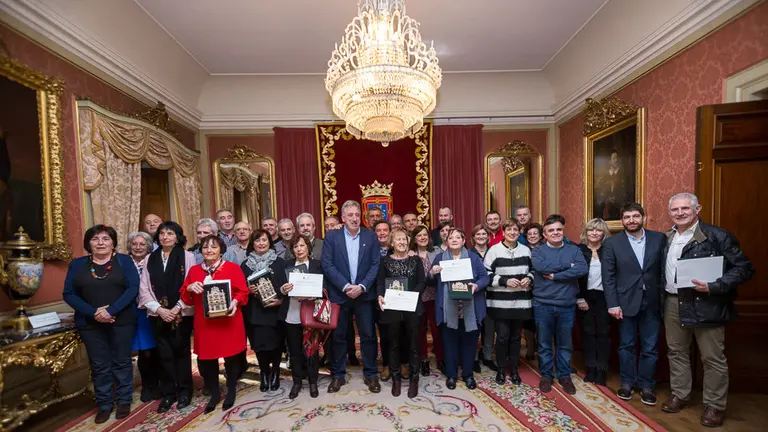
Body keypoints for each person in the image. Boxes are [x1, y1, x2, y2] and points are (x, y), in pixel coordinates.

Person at [660, 193, 754, 427]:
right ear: (669, 212)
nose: (680, 213)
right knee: (676, 351)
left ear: (697, 209)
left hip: (707, 302)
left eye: (685, 209)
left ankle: (714, 405)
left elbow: (744, 268)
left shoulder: (717, 236)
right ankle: (680, 394)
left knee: (712, 358)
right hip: (672, 301)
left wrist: (715, 286)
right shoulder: (666, 238)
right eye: (675, 210)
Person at [63, 225, 139, 424]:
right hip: (90, 323)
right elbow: (69, 294)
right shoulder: (77, 264)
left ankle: (124, 400)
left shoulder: (124, 261)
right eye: (95, 239)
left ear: (113, 242)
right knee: (99, 365)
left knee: (122, 362)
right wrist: (95, 312)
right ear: (88, 243)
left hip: (122, 320)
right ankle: (104, 404)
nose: (100, 243)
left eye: (105, 239)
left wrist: (110, 310)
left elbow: (132, 288)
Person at [602, 203, 666, 405]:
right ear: (622, 220)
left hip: (653, 301)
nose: (631, 220)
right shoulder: (613, 244)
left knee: (650, 346)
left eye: (635, 216)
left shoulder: (659, 239)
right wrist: (612, 303)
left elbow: (666, 269)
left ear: (643, 218)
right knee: (626, 345)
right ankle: (627, 383)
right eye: (627, 217)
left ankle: (647, 385)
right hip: (625, 302)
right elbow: (608, 277)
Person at [180, 234, 248, 413]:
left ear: (221, 251)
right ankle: (215, 393)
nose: (209, 250)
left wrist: (235, 301)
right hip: (205, 323)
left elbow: (243, 292)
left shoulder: (232, 268)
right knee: (207, 360)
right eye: (205, 247)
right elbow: (186, 299)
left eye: (213, 247)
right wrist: (188, 288)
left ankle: (232, 389)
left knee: (231, 357)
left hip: (229, 320)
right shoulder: (194, 271)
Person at [322, 200, 382, 394]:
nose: (354, 218)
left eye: (357, 215)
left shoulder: (370, 236)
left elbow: (375, 264)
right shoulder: (332, 237)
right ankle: (338, 375)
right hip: (340, 295)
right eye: (350, 215)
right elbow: (327, 264)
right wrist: (346, 286)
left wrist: (362, 286)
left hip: (364, 295)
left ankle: (371, 373)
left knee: (368, 335)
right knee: (339, 336)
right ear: (343, 218)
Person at [138, 221, 196, 413]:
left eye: (170, 233)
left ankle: (185, 391)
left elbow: (191, 283)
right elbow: (143, 288)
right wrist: (160, 310)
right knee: (164, 356)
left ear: (177, 237)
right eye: (162, 233)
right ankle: (169, 393)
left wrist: (177, 308)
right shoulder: (149, 259)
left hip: (181, 314)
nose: (165, 237)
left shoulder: (187, 257)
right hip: (158, 315)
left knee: (182, 353)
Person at [531, 214, 587, 395]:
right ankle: (547, 376)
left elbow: (581, 269)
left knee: (564, 344)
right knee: (544, 343)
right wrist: (567, 268)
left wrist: (556, 275)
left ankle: (564, 376)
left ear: (563, 231)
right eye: (551, 230)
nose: (555, 233)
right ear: (544, 235)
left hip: (566, 304)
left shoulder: (574, 250)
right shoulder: (538, 251)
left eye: (558, 230)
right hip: (543, 304)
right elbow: (541, 268)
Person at [430, 228, 489, 390]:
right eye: (451, 237)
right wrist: (432, 272)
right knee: (449, 344)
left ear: (464, 241)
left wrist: (476, 286)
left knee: (470, 344)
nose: (454, 239)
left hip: (470, 308)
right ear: (446, 241)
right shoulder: (440, 258)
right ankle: (451, 375)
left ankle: (468, 375)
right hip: (448, 309)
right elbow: (430, 280)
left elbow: (485, 277)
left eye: (458, 237)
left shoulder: (473, 257)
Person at [377, 228, 426, 398]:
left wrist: (411, 296)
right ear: (391, 243)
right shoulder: (385, 262)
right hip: (392, 308)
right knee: (394, 344)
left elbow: (422, 282)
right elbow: (380, 283)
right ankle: (396, 379)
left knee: (413, 345)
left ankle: (414, 379)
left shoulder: (416, 260)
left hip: (412, 307)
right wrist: (380, 296)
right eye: (398, 239)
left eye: (404, 239)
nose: (402, 242)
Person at [484, 219, 533, 385]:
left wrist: (529, 279)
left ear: (519, 232)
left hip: (520, 302)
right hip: (499, 303)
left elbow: (533, 271)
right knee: (503, 337)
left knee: (516, 338)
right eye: (509, 230)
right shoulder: (494, 251)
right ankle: (500, 370)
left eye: (515, 230)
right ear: (503, 232)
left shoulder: (526, 250)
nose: (512, 232)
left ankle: (513, 370)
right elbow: (486, 274)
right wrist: (504, 281)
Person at [281, 235, 329, 399]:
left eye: (302, 245)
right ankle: (297, 382)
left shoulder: (316, 265)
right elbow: (279, 288)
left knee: (312, 350)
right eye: (296, 247)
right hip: (292, 314)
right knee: (294, 351)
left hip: (311, 314)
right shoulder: (287, 265)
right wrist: (284, 289)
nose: (299, 249)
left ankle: (313, 381)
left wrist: (313, 293)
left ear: (308, 247)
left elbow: (324, 287)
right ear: (292, 250)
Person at [241, 229, 288, 392]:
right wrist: (249, 290)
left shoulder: (279, 262)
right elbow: (240, 289)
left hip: (275, 310)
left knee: (275, 345)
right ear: (252, 244)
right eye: (257, 240)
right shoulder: (245, 265)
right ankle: (264, 372)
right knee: (259, 346)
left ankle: (275, 371)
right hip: (254, 312)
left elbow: (285, 285)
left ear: (270, 242)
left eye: (264, 240)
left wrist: (280, 299)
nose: (261, 243)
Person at [576, 218, 612, 386]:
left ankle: (601, 370)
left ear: (603, 233)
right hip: (585, 297)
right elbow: (574, 277)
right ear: (586, 232)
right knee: (589, 333)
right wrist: (579, 298)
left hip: (605, 297)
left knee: (603, 334)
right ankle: (591, 368)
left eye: (598, 230)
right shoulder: (579, 250)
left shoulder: (609, 250)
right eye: (591, 230)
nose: (594, 233)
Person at [127, 231, 161, 402]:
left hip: (154, 311)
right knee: (144, 351)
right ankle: (148, 385)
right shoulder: (123, 262)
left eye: (142, 244)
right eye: (135, 244)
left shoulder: (155, 260)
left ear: (148, 246)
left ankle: (158, 383)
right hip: (133, 312)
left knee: (156, 349)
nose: (138, 247)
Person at [410, 224, 443, 376]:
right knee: (419, 330)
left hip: (435, 296)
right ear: (414, 239)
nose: (422, 238)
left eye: (425, 235)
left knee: (437, 330)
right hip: (417, 298)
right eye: (419, 236)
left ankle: (441, 358)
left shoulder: (437, 251)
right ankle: (423, 360)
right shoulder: (410, 254)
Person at [470, 224, 494, 371]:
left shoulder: (494, 252)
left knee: (490, 328)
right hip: (475, 295)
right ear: (473, 237)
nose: (481, 237)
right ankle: (474, 358)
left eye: (483, 234)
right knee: (475, 327)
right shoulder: (468, 253)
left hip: (493, 295)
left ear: (488, 236)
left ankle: (488, 356)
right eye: (478, 234)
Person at [595, 149, 632, 221]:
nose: (616, 160)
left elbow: (628, 192)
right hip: (607, 210)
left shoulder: (624, 174)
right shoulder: (604, 176)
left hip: (621, 209)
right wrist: (608, 199)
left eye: (617, 158)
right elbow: (600, 195)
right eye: (614, 158)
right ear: (609, 161)